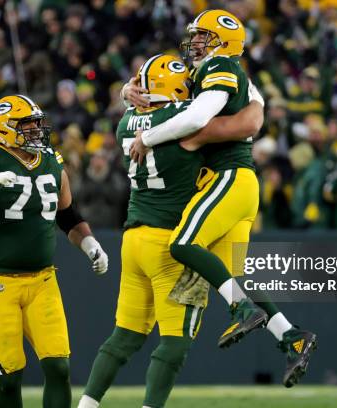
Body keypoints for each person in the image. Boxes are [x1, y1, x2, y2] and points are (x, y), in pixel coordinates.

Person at [126, 9, 317, 387]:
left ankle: (242, 309)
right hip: (239, 183)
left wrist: (146, 137)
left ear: (223, 43)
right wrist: (126, 90)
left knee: (182, 244)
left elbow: (197, 119)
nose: (195, 43)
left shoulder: (221, 68)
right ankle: (292, 337)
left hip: (228, 177)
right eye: (196, 36)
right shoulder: (222, 70)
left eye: (203, 37)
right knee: (234, 272)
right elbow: (252, 101)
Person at [78, 54, 263, 408]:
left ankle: (87, 405)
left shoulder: (125, 122)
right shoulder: (184, 121)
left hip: (132, 241)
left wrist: (123, 93)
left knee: (124, 337)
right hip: (169, 243)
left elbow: (148, 102)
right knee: (176, 342)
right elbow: (236, 116)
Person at [0, 94, 109, 408]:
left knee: (59, 367)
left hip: (42, 281)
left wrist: (89, 243)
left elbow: (68, 215)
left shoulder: (51, 161)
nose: (34, 129)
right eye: (25, 123)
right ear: (4, 128)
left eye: (36, 122)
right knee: (10, 375)